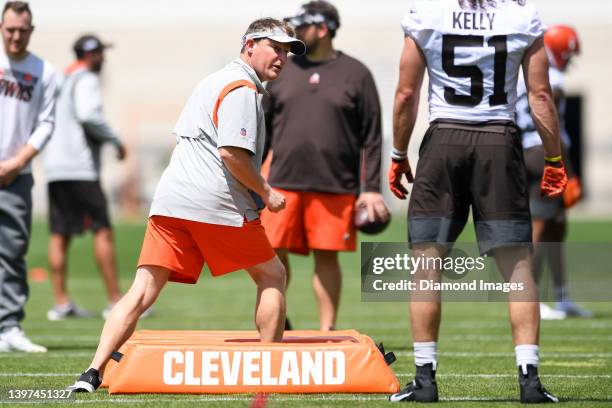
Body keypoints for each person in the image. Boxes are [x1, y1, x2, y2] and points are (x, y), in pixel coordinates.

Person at [67, 17, 305, 392]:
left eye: (287, 51)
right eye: (275, 47)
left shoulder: (213, 80)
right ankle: (267, 371)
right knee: (273, 275)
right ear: (249, 45)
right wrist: (265, 191)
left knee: (143, 289)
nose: (282, 57)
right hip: (216, 203)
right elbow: (231, 153)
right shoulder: (243, 89)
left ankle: (92, 372)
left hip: (170, 201)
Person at [388, 0, 566, 403]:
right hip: (498, 142)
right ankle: (529, 381)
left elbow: (405, 94)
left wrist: (399, 154)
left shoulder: (426, 14)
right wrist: (554, 157)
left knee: (426, 264)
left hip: (445, 139)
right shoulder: (522, 16)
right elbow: (540, 95)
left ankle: (425, 379)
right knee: (518, 268)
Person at [261, 0, 388, 332]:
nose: (295, 33)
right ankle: (277, 321)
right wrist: (253, 180)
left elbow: (372, 136)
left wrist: (371, 188)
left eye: (302, 27)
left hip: (335, 184)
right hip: (282, 182)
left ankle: (326, 330)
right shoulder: (284, 69)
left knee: (327, 255)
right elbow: (263, 129)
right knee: (269, 254)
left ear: (322, 29)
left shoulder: (356, 74)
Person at [43, 34, 127, 321]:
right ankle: (115, 300)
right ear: (92, 55)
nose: (104, 58)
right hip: (80, 167)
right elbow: (89, 114)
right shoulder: (86, 78)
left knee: (59, 235)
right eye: (102, 52)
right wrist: (115, 140)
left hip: (55, 167)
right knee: (102, 229)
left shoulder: (61, 80)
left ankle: (61, 302)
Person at [516, 24, 591, 320]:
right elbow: (553, 129)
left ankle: (561, 296)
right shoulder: (553, 79)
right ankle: (532, 299)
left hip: (528, 153)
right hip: (542, 154)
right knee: (541, 227)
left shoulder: (527, 70)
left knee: (556, 227)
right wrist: (568, 171)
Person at [0, 1, 56, 353]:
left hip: (15, 174)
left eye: (23, 30)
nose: (16, 36)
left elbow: (46, 123)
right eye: (10, 30)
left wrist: (17, 162)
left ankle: (9, 326)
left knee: (12, 250)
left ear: (31, 31)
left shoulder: (43, 71)